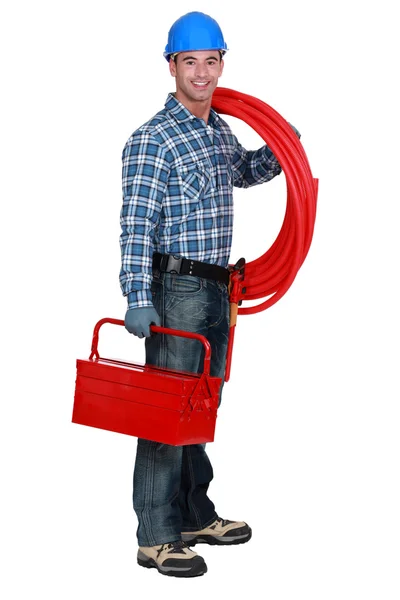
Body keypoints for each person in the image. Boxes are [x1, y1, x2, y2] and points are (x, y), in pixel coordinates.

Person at [119, 11, 299, 578]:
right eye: (190, 62)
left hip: (220, 286)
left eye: (211, 61)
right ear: (171, 66)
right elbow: (135, 225)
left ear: (223, 63)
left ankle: (194, 513)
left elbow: (242, 171)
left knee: (201, 404)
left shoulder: (218, 129)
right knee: (166, 411)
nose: (202, 73)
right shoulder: (152, 139)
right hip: (176, 288)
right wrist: (136, 296)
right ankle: (157, 535)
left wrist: (282, 147)